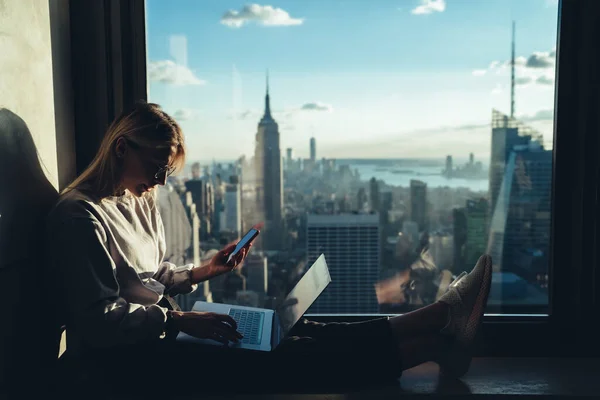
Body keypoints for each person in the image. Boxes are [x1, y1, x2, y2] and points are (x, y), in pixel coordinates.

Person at [45, 102, 493, 395]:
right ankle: (437, 335)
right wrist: (180, 320)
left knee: (299, 328)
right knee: (297, 355)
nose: (162, 182)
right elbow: (99, 323)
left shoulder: (138, 199)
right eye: (157, 168)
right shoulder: (78, 217)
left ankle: (438, 327)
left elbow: (153, 277)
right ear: (121, 148)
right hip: (135, 362)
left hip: (167, 333)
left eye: (167, 171)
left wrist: (205, 271)